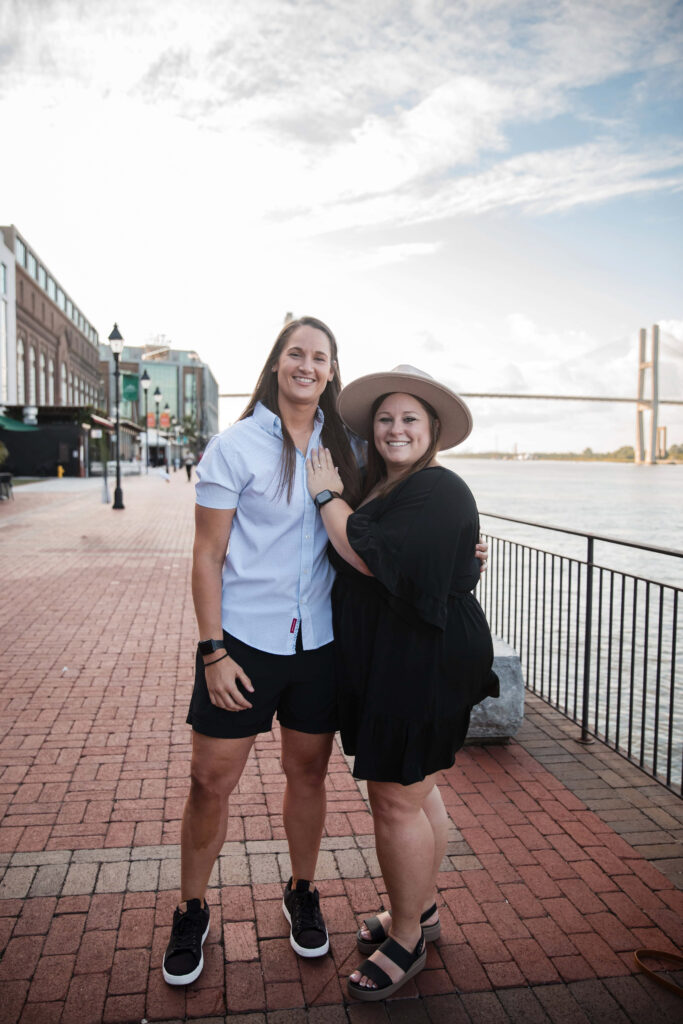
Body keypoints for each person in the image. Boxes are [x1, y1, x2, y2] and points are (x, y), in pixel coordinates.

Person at [161, 325, 488, 988]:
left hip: (320, 646)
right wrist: (212, 649)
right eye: (295, 353)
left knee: (307, 778)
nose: (306, 365)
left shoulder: (353, 449)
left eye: (319, 356)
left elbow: (409, 511)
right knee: (209, 782)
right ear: (276, 364)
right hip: (246, 643)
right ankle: (191, 909)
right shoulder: (235, 446)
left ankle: (302, 891)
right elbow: (206, 554)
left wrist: (463, 553)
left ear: (332, 370)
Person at [306, 364, 499, 1001]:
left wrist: (326, 497)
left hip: (425, 660)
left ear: (433, 430)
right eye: (385, 419)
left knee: (394, 801)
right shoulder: (388, 489)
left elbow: (364, 553)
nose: (394, 429)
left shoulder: (437, 489)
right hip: (400, 657)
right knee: (419, 795)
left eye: (409, 419)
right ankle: (422, 909)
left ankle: (408, 936)